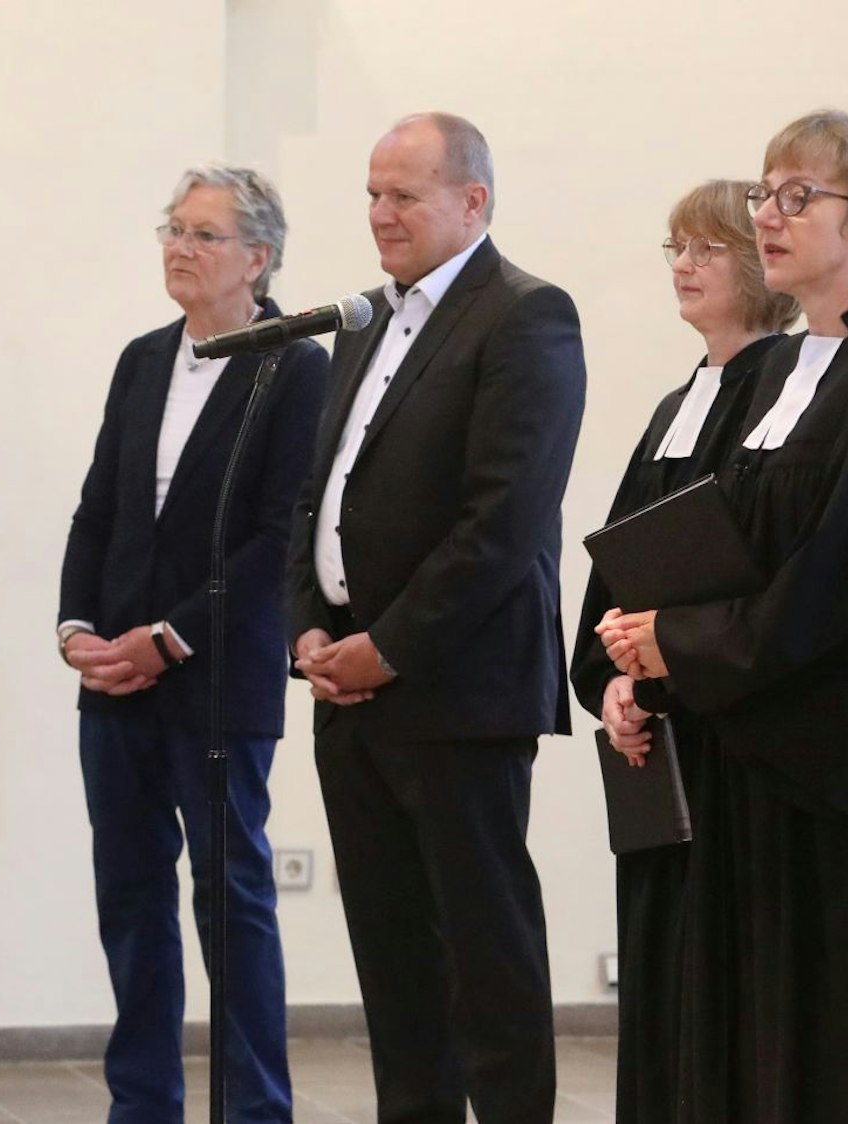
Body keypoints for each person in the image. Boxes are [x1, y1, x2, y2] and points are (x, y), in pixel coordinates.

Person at [600, 110, 848, 1121]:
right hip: (742, 754)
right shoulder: (767, 369)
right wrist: (638, 669)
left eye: (801, 195)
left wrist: (684, 642)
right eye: (764, 192)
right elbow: (699, 545)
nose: (770, 213)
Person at [285, 112, 586, 1124]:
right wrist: (309, 626)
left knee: (482, 957)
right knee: (393, 960)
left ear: (473, 201)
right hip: (350, 685)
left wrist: (390, 646)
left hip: (458, 691)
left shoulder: (525, 316)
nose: (380, 213)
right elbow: (316, 491)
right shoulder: (368, 315)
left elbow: (504, 519)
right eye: (371, 193)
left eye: (403, 195)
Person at [58, 164, 329, 1124]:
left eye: (203, 234)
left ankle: (254, 1109)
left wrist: (168, 639)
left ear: (257, 258)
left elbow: (278, 531)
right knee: (128, 901)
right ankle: (142, 1104)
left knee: (232, 902)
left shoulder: (295, 365)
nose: (178, 245)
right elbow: (101, 505)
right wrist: (77, 628)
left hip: (214, 678)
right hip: (114, 681)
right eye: (172, 227)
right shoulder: (142, 358)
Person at [569, 180, 796, 1122]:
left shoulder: (788, 389)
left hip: (736, 738)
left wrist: (668, 662)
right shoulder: (678, 402)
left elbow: (760, 575)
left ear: (761, 264)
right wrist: (613, 684)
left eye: (707, 247)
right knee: (661, 972)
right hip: (658, 743)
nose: (687, 265)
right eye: (675, 248)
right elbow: (616, 571)